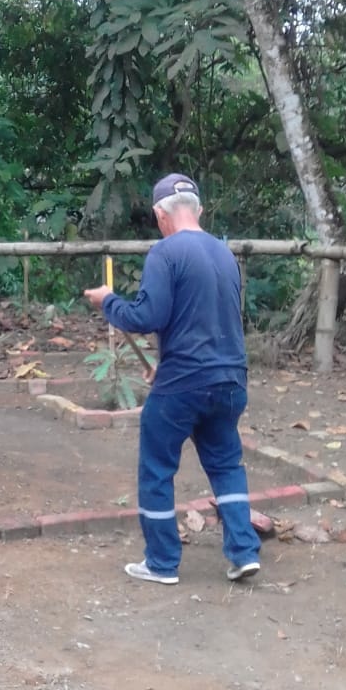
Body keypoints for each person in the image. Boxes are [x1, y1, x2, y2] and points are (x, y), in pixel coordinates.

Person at [83, 172, 261, 585]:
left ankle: (161, 562)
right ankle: (244, 551)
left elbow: (147, 317)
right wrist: (165, 364)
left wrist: (108, 301)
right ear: (199, 210)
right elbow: (209, 323)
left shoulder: (165, 253)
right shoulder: (225, 255)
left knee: (157, 468)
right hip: (230, 380)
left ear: (160, 215)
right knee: (226, 465)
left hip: (184, 385)